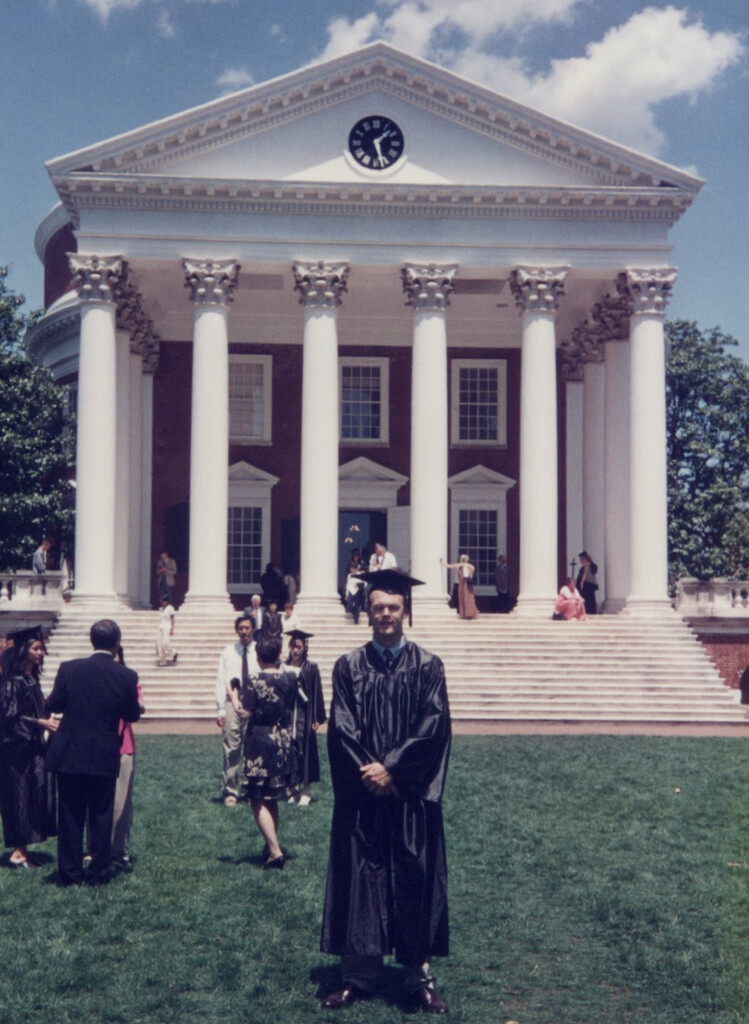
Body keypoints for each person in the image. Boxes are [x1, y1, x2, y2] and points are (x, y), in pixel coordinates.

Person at [320, 568, 451, 1015]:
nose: (386, 614)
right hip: (364, 798)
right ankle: (358, 977)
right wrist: (371, 774)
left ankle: (419, 978)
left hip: (409, 794)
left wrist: (393, 770)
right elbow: (341, 730)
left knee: (415, 879)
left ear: (405, 611)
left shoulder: (428, 666)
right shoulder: (348, 666)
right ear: (367, 611)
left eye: (393, 607)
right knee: (361, 880)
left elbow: (433, 728)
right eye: (378, 607)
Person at [45, 619, 141, 886]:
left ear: (92, 641)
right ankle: (99, 873)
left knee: (70, 815)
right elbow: (132, 714)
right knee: (101, 815)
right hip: (103, 753)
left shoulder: (69, 669)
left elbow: (54, 703)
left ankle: (70, 873)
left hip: (70, 752)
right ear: (116, 643)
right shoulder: (126, 675)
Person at [231, 635, 297, 868]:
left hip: (259, 739)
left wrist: (233, 697)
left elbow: (245, 713)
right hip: (282, 738)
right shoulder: (290, 678)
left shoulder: (253, 679)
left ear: (258, 657)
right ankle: (270, 846)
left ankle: (275, 850)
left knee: (256, 797)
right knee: (272, 794)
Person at [0, 626, 58, 869]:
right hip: (16, 752)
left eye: (41, 649)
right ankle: (17, 853)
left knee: (32, 795)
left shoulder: (30, 679)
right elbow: (10, 717)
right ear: (24, 651)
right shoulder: (12, 682)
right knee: (18, 798)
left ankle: (22, 849)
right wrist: (40, 722)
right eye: (35, 648)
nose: (40, 653)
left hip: (31, 749)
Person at [215, 614, 259, 806]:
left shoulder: (260, 650)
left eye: (247, 628)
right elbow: (220, 679)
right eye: (240, 628)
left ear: (253, 629)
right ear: (237, 630)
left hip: (253, 705)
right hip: (232, 702)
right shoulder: (228, 651)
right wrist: (220, 709)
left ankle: (251, 790)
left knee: (253, 748)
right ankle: (230, 791)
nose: (244, 631)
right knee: (232, 748)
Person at [111, 645, 146, 870]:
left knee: (121, 801)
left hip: (123, 746)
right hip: (99, 746)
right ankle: (94, 847)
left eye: (116, 656)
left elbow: (139, 707)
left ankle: (118, 849)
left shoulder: (129, 680)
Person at [285, 630, 326, 806]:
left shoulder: (310, 667)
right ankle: (292, 788)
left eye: (299, 647)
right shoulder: (283, 666)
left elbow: (316, 691)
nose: (295, 650)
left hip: (305, 713)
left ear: (304, 648)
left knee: (305, 751)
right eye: (293, 646)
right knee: (289, 750)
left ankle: (306, 791)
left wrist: (317, 717)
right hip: (288, 714)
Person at [441, 553, 479, 619]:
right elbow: (449, 566)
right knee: (464, 598)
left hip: (465, 584)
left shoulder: (463, 566)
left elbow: (448, 566)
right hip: (464, 585)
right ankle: (465, 613)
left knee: (465, 598)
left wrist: (442, 562)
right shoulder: (465, 566)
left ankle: (467, 613)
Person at [156, 595, 178, 666]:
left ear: (166, 601)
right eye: (161, 601)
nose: (162, 603)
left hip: (167, 626)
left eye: (163, 601)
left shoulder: (170, 608)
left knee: (165, 643)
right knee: (159, 645)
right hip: (160, 627)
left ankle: (174, 653)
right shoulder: (160, 609)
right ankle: (162, 661)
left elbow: (172, 619)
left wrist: (172, 629)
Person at [576, 551, 599, 616]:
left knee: (591, 599)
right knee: (584, 598)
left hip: (590, 585)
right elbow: (580, 578)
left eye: (582, 559)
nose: (581, 561)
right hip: (583, 586)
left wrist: (588, 565)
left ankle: (591, 611)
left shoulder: (592, 566)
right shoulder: (582, 569)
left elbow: (594, 571)